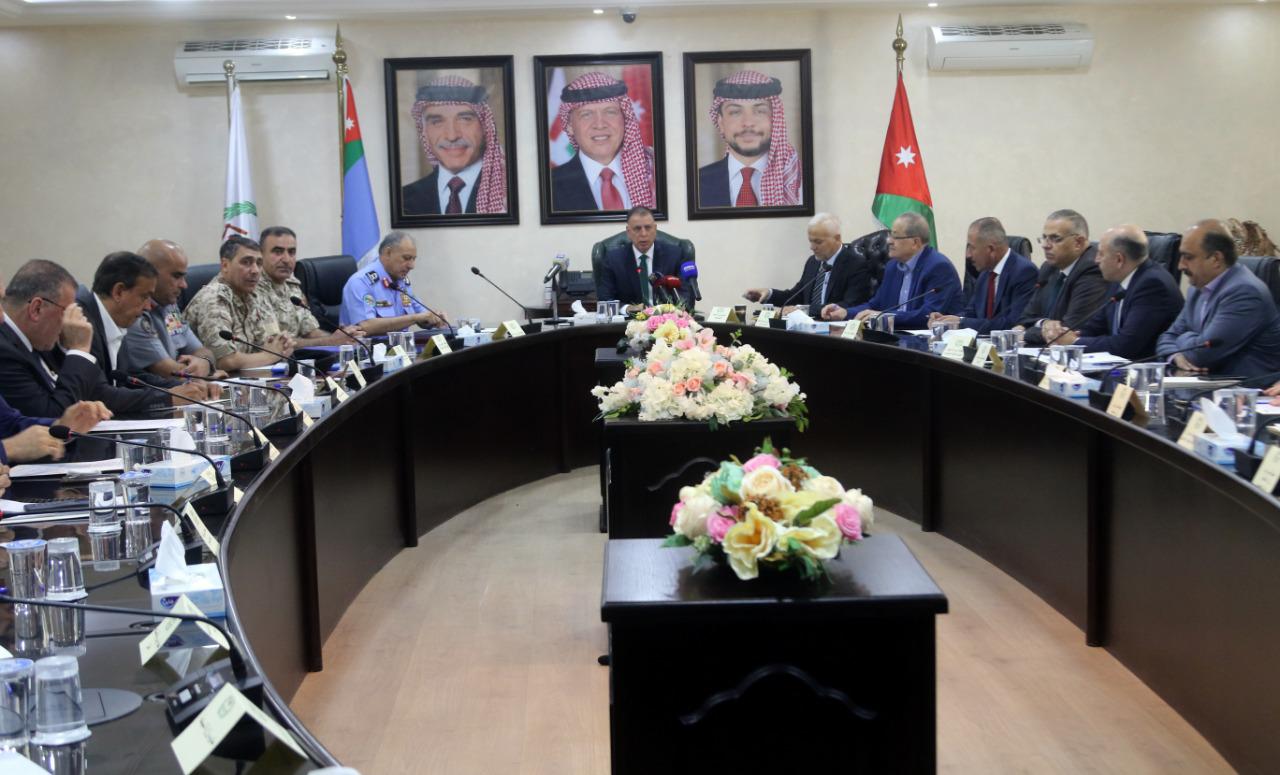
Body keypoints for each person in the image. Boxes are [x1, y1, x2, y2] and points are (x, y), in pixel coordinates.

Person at [0, 260, 188, 418]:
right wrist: (79, 350)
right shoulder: (6, 351)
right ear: (37, 309)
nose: (70, 322)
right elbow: (55, 416)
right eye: (68, 312)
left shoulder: (33, 341)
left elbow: (118, 379)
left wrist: (176, 389)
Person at [0, 272, 111, 468]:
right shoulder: (5, 349)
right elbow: (13, 441)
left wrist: (60, 424)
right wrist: (7, 449)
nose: (2, 318)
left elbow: (9, 422)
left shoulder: (34, 341)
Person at [76, 252, 212, 407]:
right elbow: (99, 394)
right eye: (144, 297)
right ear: (119, 292)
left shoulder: (115, 319)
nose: (148, 306)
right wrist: (167, 398)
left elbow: (129, 376)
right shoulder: (85, 325)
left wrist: (189, 387)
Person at [1156, 219, 1280, 377]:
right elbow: (1166, 338)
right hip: (1206, 382)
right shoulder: (1197, 288)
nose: (1180, 265)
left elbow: (1201, 355)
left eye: (1188, 257)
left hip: (1245, 387)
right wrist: (1176, 355)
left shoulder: (1245, 292)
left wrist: (1184, 338)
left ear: (1216, 259)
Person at [1041, 225, 1183, 360]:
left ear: (1119, 259)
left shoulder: (1152, 285)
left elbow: (1125, 345)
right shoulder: (1118, 278)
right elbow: (1096, 326)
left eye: (1101, 254)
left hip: (1144, 370)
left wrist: (1074, 342)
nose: (1096, 260)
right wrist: (1064, 334)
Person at [821, 211, 961, 330]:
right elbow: (875, 305)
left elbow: (928, 315)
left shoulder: (939, 267)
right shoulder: (892, 266)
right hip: (897, 337)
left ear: (915, 243)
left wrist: (884, 316)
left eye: (895, 236)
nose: (888, 241)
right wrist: (845, 312)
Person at [184, 236, 296, 372]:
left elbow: (272, 343)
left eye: (259, 263)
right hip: (214, 382)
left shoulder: (254, 294)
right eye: (246, 262)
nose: (255, 270)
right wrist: (271, 355)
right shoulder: (214, 297)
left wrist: (283, 344)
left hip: (255, 377)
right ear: (225, 265)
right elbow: (226, 361)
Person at [551, 71, 656, 213]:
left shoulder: (655, 172)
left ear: (625, 118)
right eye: (586, 114)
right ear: (569, 125)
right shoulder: (550, 186)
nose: (600, 124)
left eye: (610, 112)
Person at [402, 76, 508, 215]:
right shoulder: (403, 199)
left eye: (465, 119)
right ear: (424, 132)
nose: (452, 136)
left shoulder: (509, 193)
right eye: (436, 122)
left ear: (485, 127)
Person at [698, 70, 802, 209]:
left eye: (760, 111)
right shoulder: (695, 184)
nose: (748, 122)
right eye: (735, 112)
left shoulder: (799, 181)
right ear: (721, 123)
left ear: (775, 119)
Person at [126, 239, 221, 381]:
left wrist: (204, 362)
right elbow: (170, 373)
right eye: (177, 276)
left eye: (184, 277)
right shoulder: (135, 314)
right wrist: (205, 374)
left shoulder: (169, 305)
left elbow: (202, 351)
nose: (184, 285)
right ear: (150, 275)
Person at [742, 212, 870, 317]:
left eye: (818, 242)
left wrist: (804, 310)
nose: (812, 247)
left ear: (837, 238)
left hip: (835, 330)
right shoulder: (813, 262)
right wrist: (769, 294)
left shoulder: (855, 264)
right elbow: (796, 296)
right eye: (810, 241)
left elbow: (850, 305)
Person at [255, 226, 365, 346]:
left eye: (291, 252)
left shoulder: (292, 284)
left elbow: (310, 331)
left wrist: (343, 338)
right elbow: (276, 344)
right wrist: (331, 341)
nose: (286, 259)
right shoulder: (254, 288)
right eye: (278, 252)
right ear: (261, 254)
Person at [928, 217, 1037, 334]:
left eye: (972, 248)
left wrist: (961, 322)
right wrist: (947, 319)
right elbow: (971, 313)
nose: (968, 255)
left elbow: (1012, 323)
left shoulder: (1025, 272)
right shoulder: (985, 274)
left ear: (991, 249)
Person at [1016, 209, 1108, 345]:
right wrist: (1045, 323)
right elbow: (1025, 318)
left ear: (1078, 242)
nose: (1045, 245)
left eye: (1055, 238)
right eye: (1044, 238)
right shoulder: (1048, 268)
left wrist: (1026, 333)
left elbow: (1068, 330)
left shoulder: (1092, 268)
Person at [339, 231, 446, 335]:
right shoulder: (361, 282)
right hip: (369, 346)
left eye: (413, 259)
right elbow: (366, 326)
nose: (412, 266)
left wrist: (434, 318)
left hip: (401, 345)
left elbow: (421, 315)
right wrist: (414, 318)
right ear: (388, 253)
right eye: (406, 258)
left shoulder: (401, 280)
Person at [596, 206, 693, 308]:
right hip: (628, 317)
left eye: (648, 228)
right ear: (628, 232)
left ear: (655, 229)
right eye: (637, 229)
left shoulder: (674, 255)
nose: (643, 234)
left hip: (667, 316)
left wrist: (674, 310)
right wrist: (627, 308)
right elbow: (605, 299)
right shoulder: (613, 260)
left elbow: (687, 294)